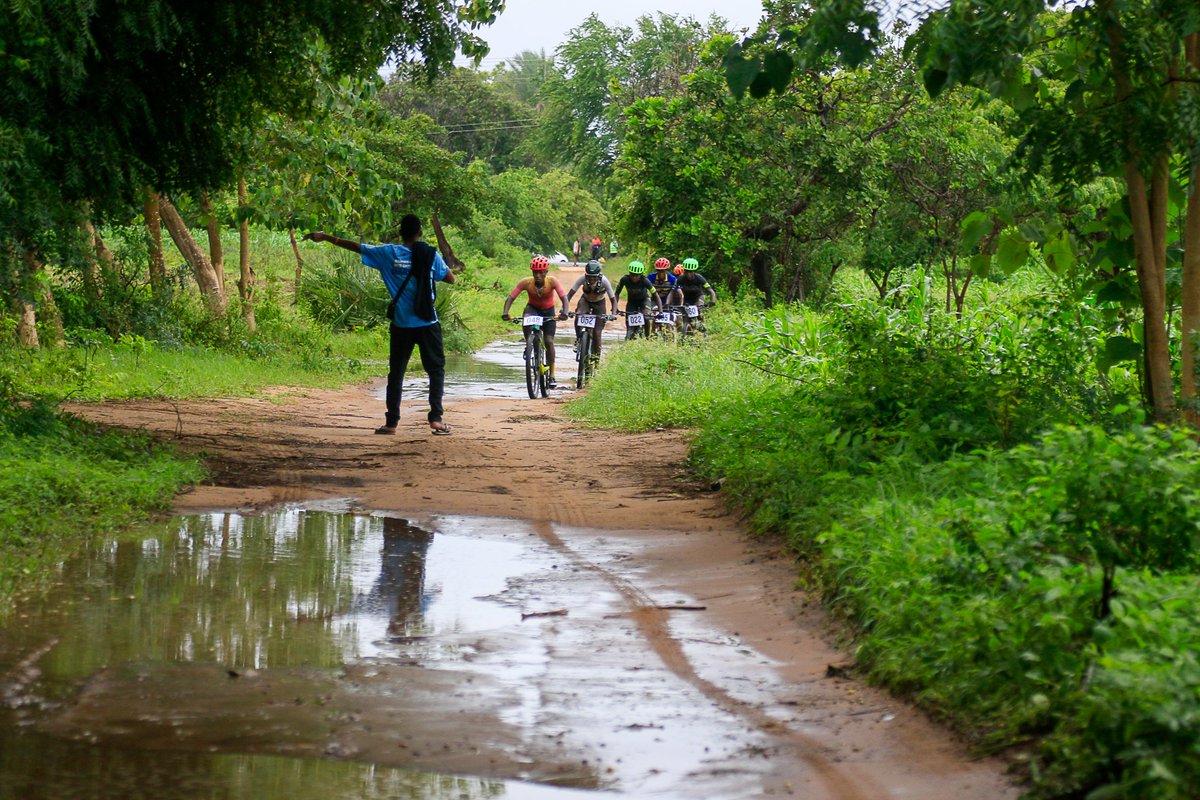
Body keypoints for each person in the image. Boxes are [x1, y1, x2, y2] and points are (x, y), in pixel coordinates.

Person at [303, 216, 454, 436]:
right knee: (436, 370)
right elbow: (450, 279)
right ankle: (436, 420)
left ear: (400, 234)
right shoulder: (431, 255)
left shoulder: (387, 254)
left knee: (397, 373)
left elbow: (356, 247)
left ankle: (391, 423)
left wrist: (325, 237)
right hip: (428, 323)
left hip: (402, 324)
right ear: (420, 233)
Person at [502, 256, 569, 388]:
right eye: (535, 273)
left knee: (549, 341)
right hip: (532, 309)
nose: (537, 275)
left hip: (548, 311)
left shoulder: (552, 282)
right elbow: (511, 297)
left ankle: (552, 375)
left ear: (546, 272)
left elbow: (564, 298)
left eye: (541, 272)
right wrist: (505, 312)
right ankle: (529, 344)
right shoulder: (526, 283)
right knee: (527, 321)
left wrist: (565, 312)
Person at [566, 259, 616, 358]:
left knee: (597, 333)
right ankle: (578, 338)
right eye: (589, 277)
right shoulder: (582, 279)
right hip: (585, 301)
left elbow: (613, 300)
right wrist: (565, 308)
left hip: (599, 304)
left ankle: (596, 359)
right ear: (586, 275)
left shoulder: (604, 281)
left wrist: (613, 314)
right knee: (579, 315)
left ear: (598, 276)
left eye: (594, 278)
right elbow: (569, 295)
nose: (591, 280)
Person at [613, 260, 660, 338]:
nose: (634, 277)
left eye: (637, 275)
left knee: (646, 317)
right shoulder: (624, 279)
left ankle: (647, 337)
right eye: (632, 275)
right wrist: (614, 309)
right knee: (628, 321)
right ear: (629, 274)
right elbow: (617, 294)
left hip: (644, 300)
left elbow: (655, 295)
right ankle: (629, 335)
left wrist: (660, 311)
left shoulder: (645, 281)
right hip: (632, 302)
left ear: (641, 275)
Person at [673, 257, 718, 321]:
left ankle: (702, 326)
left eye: (691, 272)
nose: (689, 274)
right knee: (685, 317)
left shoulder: (699, 277)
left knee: (698, 310)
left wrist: (713, 301)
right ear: (684, 271)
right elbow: (672, 291)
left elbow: (710, 290)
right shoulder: (680, 278)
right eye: (687, 272)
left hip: (698, 297)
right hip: (686, 299)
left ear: (694, 271)